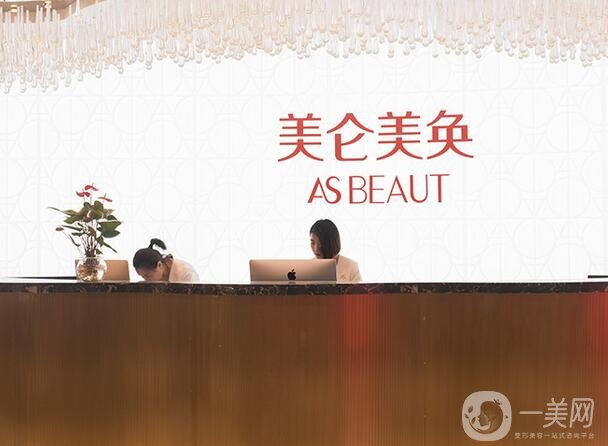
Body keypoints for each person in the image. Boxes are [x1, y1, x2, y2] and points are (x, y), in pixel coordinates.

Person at [133, 238, 199, 282]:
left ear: (159, 265)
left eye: (148, 276)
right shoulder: (156, 276)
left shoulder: (186, 273)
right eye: (143, 276)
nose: (146, 281)